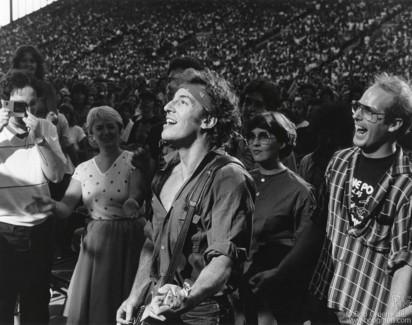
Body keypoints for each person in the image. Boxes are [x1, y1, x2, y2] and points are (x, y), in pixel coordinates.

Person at [249, 73, 412, 325]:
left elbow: (404, 264)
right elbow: (318, 224)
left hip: (366, 314)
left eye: (369, 111)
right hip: (321, 303)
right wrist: (281, 272)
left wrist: (390, 320)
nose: (356, 115)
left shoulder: (406, 185)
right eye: (357, 106)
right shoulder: (339, 162)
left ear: (394, 124)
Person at [116, 68, 255, 325]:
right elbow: (151, 244)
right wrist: (135, 296)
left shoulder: (228, 177)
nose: (167, 106)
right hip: (157, 306)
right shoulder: (165, 172)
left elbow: (223, 261)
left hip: (202, 314)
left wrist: (185, 297)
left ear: (208, 120)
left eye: (182, 102)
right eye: (171, 100)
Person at [27, 106, 149, 324]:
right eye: (99, 128)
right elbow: (66, 207)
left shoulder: (132, 160)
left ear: (120, 130)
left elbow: (136, 193)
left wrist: (132, 203)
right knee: (100, 302)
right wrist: (51, 205)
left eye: (110, 127)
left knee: (128, 298)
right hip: (97, 240)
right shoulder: (83, 169)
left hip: (129, 238)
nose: (105, 132)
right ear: (91, 134)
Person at [234, 112, 316, 325]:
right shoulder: (241, 181)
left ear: (282, 142)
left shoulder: (299, 191)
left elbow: (305, 253)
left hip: (272, 298)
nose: (255, 143)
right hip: (234, 292)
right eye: (251, 137)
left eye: (264, 136)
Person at [0, 70, 66, 324]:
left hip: (40, 230)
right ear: (5, 103)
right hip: (4, 231)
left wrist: (39, 138)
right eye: (19, 106)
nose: (26, 112)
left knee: (36, 305)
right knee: (3, 303)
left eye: (31, 104)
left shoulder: (45, 127)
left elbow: (57, 176)